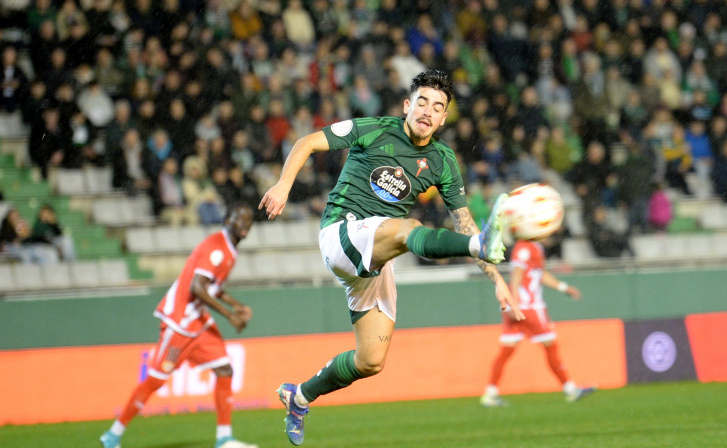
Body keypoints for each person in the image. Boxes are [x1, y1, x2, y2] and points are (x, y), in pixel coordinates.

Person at [258, 69, 522, 446]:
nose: (428, 111)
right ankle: (480, 246)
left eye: (438, 106)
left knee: (371, 360)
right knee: (406, 227)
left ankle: (299, 397)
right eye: (422, 102)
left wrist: (497, 281)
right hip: (341, 234)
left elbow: (463, 223)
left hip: (377, 256)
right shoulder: (375, 128)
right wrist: (284, 185)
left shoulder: (443, 161)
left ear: (444, 117)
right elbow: (307, 142)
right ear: (407, 105)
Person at [99, 205, 257, 448]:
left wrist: (236, 305)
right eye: (239, 218)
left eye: (248, 219)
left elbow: (212, 286)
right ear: (227, 221)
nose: (245, 223)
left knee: (224, 370)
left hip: (199, 326)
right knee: (156, 380)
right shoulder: (216, 247)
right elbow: (197, 287)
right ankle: (113, 435)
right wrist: (229, 316)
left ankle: (224, 439)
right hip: (180, 326)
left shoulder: (229, 249)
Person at [480, 238, 595, 407]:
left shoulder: (533, 247)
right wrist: (515, 302)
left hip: (519, 305)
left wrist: (564, 287)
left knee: (506, 351)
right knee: (551, 346)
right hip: (529, 306)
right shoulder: (525, 247)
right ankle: (570, 389)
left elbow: (539, 274)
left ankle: (490, 393)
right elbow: (517, 274)